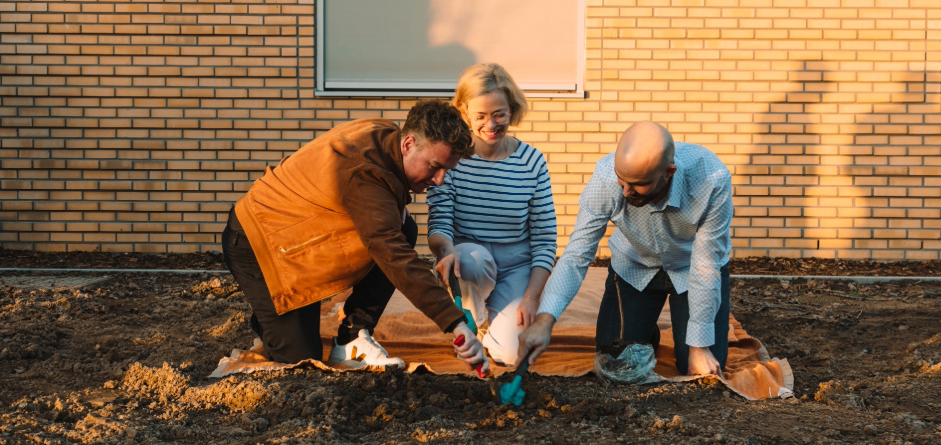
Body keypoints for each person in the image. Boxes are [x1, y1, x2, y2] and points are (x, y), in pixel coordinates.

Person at [221, 100, 485, 369]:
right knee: (303, 362)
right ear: (408, 144)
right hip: (259, 245)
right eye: (433, 166)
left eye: (446, 171)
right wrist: (455, 323)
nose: (439, 180)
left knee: (403, 227)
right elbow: (394, 256)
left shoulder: (386, 134)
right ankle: (269, 316)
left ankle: (351, 339)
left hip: (298, 234)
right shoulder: (367, 176)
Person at [517, 121, 733, 377]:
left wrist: (698, 347)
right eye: (623, 181)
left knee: (699, 369)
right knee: (616, 364)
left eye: (639, 184)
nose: (627, 192)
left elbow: (706, 265)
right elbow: (577, 254)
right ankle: (643, 331)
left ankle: (678, 341)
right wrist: (545, 319)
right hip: (635, 267)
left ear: (669, 172)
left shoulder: (711, 180)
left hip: (691, 269)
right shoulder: (606, 177)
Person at [426, 63, 557, 365]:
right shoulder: (453, 159)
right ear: (464, 111)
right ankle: (475, 320)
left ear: (512, 109)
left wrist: (532, 298)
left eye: (500, 113)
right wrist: (444, 251)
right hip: (470, 263)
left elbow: (545, 239)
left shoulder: (532, 161)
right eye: (481, 115)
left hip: (516, 265)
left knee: (512, 355)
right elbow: (440, 219)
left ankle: (491, 331)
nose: (491, 124)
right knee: (471, 258)